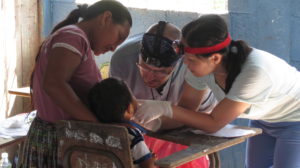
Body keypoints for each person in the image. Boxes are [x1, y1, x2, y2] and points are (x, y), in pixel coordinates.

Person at [134, 14, 300, 168]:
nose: (185, 64)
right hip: (264, 119)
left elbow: (214, 123)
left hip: (295, 120)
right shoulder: (201, 67)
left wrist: (164, 108)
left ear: (215, 58)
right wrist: (155, 123)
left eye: (190, 59)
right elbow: (186, 111)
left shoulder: (254, 72)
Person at [19, 1, 132, 167]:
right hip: (59, 140)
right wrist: (99, 127)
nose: (114, 47)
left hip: (61, 138)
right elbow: (54, 84)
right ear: (106, 18)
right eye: (119, 37)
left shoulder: (77, 39)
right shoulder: (73, 37)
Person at [110, 21, 216, 167]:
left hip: (196, 116)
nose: (150, 77)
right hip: (145, 122)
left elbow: (188, 114)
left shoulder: (193, 65)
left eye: (162, 72)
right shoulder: (122, 58)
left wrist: (156, 123)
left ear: (178, 63)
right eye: (144, 68)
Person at [88, 77, 156, 168]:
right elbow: (147, 165)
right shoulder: (132, 134)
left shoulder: (94, 131)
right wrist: (151, 160)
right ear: (129, 108)